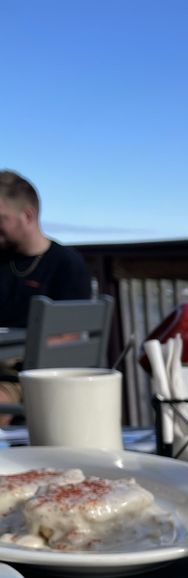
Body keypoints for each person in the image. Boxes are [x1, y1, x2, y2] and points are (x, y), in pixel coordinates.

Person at [0, 170, 92, 419]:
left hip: (29, 375)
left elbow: (74, 337)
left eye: (1, 218)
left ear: (27, 216)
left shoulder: (66, 264)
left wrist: (21, 349)